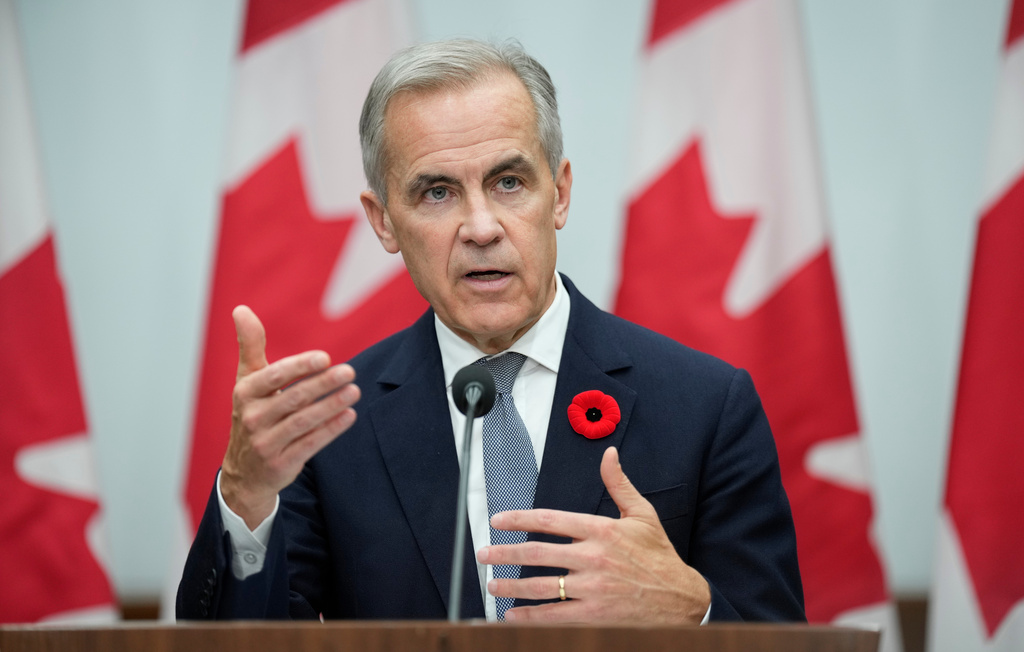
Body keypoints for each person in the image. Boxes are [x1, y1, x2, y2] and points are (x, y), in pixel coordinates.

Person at [177, 38, 804, 624]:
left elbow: (780, 635)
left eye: (509, 183)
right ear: (384, 222)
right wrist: (244, 493)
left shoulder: (705, 404)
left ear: (558, 194)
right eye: (437, 193)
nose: (481, 227)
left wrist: (693, 610)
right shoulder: (333, 427)